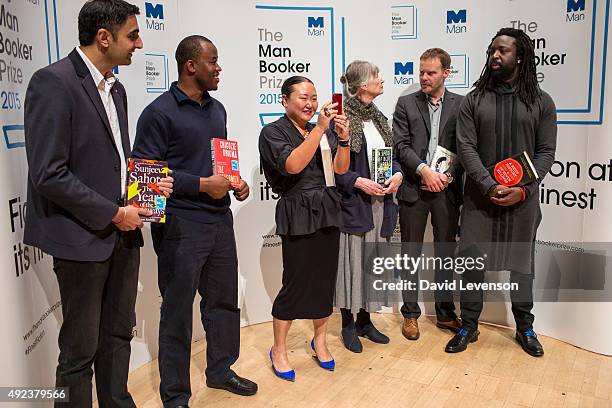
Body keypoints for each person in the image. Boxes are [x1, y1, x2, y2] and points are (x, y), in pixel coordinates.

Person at [23, 1, 172, 406]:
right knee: (78, 352)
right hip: (80, 238)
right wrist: (112, 213)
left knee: (118, 336)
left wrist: (147, 189)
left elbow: (114, 159)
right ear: (103, 37)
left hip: (123, 236)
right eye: (132, 35)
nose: (139, 43)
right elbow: (48, 173)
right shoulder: (52, 82)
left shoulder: (117, 88)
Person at [131, 36, 257, 407]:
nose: (218, 68)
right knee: (177, 312)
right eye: (212, 61)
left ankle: (220, 370)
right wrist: (201, 184)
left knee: (222, 303)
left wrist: (235, 183)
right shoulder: (158, 113)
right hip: (179, 227)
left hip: (219, 222)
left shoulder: (217, 110)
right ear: (191, 65)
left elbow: (220, 165)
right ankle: (175, 395)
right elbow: (145, 178)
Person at [449, 27, 557, 356]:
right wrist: (489, 184)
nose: (495, 55)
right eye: (492, 50)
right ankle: (468, 324)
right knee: (471, 264)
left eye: (503, 51)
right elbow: (465, 148)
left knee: (522, 266)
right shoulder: (474, 100)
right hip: (480, 201)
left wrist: (521, 191)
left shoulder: (541, 102)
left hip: (521, 203)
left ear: (520, 57)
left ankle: (525, 327)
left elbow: (546, 153)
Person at [259, 76, 350, 381]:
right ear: (284, 100)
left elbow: (339, 170)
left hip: (327, 207)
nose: (311, 104)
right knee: (295, 282)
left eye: (314, 97)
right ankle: (279, 349)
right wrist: (321, 129)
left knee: (325, 282)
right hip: (297, 210)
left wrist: (344, 139)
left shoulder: (318, 130)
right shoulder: (272, 132)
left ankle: (320, 341)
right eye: (303, 97)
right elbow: (293, 166)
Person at [392, 48, 464, 340]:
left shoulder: (463, 104)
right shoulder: (406, 104)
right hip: (414, 189)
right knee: (410, 254)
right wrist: (425, 171)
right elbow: (401, 145)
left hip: (446, 190)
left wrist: (447, 176)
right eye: (421, 71)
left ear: (446, 73)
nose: (424, 77)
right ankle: (410, 315)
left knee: (445, 254)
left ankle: (445, 313)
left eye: (431, 72)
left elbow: (466, 147)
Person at [334, 60, 403, 353]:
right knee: (352, 263)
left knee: (372, 263)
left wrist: (398, 174)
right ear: (363, 84)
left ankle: (365, 320)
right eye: (376, 75)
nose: (382, 79)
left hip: (380, 203)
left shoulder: (379, 118)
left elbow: (391, 156)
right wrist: (358, 182)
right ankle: (347, 323)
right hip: (356, 204)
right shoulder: (340, 119)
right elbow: (334, 169)